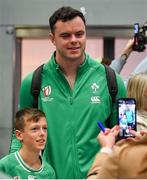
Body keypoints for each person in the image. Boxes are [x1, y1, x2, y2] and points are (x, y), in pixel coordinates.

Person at [10, 6, 126, 179]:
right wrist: (13, 171)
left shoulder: (111, 80)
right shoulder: (34, 82)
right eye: (65, 36)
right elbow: (19, 137)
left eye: (79, 34)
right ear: (52, 39)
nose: (74, 40)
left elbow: (124, 138)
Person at [0, 108, 56, 179]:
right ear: (19, 135)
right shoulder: (4, 166)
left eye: (44, 128)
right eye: (35, 129)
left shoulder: (49, 172)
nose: (42, 133)